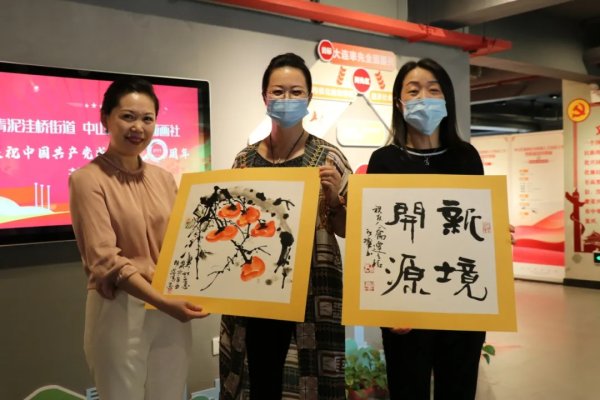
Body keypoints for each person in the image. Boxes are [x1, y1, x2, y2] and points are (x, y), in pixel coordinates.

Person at [219, 53, 352, 400]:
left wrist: (335, 199)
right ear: (264, 97)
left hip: (312, 289)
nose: (287, 99)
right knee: (259, 375)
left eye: (296, 92)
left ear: (309, 98)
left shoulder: (329, 158)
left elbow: (350, 229)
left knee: (313, 376)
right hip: (256, 288)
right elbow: (229, 227)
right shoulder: (245, 160)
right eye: (278, 91)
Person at [69, 77, 209, 400]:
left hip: (171, 306)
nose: (138, 127)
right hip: (119, 308)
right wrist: (163, 301)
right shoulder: (86, 180)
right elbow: (105, 260)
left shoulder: (164, 178)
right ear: (105, 118)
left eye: (148, 118)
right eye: (127, 116)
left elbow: (184, 242)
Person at [366, 58, 486, 400]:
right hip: (405, 308)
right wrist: (385, 307)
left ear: (446, 100)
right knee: (407, 390)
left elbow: (475, 227)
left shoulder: (467, 157)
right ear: (399, 102)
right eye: (414, 90)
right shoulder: (383, 161)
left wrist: (493, 232)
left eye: (434, 90)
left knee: (458, 390)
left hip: (461, 303)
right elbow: (375, 239)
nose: (424, 98)